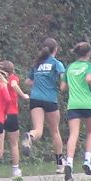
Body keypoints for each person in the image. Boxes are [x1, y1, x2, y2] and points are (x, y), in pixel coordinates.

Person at [59, 42, 91, 181]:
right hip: (88, 103)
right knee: (90, 132)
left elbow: (62, 87)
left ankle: (69, 163)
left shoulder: (69, 67)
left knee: (73, 134)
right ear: (89, 53)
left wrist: (72, 83)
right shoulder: (90, 66)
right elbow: (89, 78)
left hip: (74, 104)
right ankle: (87, 161)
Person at [24, 40, 65, 169]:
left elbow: (27, 81)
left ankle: (30, 136)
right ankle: (59, 164)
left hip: (35, 99)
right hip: (50, 99)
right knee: (55, 132)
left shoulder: (37, 63)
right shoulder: (56, 63)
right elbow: (63, 78)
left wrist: (39, 83)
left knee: (38, 130)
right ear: (55, 49)